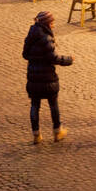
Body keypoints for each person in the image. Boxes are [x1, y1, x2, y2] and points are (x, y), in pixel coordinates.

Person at [22, 10, 72, 144]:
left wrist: (35, 58)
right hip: (48, 78)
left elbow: (25, 55)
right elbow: (53, 58)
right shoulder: (46, 38)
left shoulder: (31, 35)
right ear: (48, 24)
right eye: (52, 22)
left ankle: (36, 135)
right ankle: (57, 132)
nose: (54, 25)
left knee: (35, 106)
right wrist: (68, 60)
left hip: (33, 77)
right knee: (53, 105)